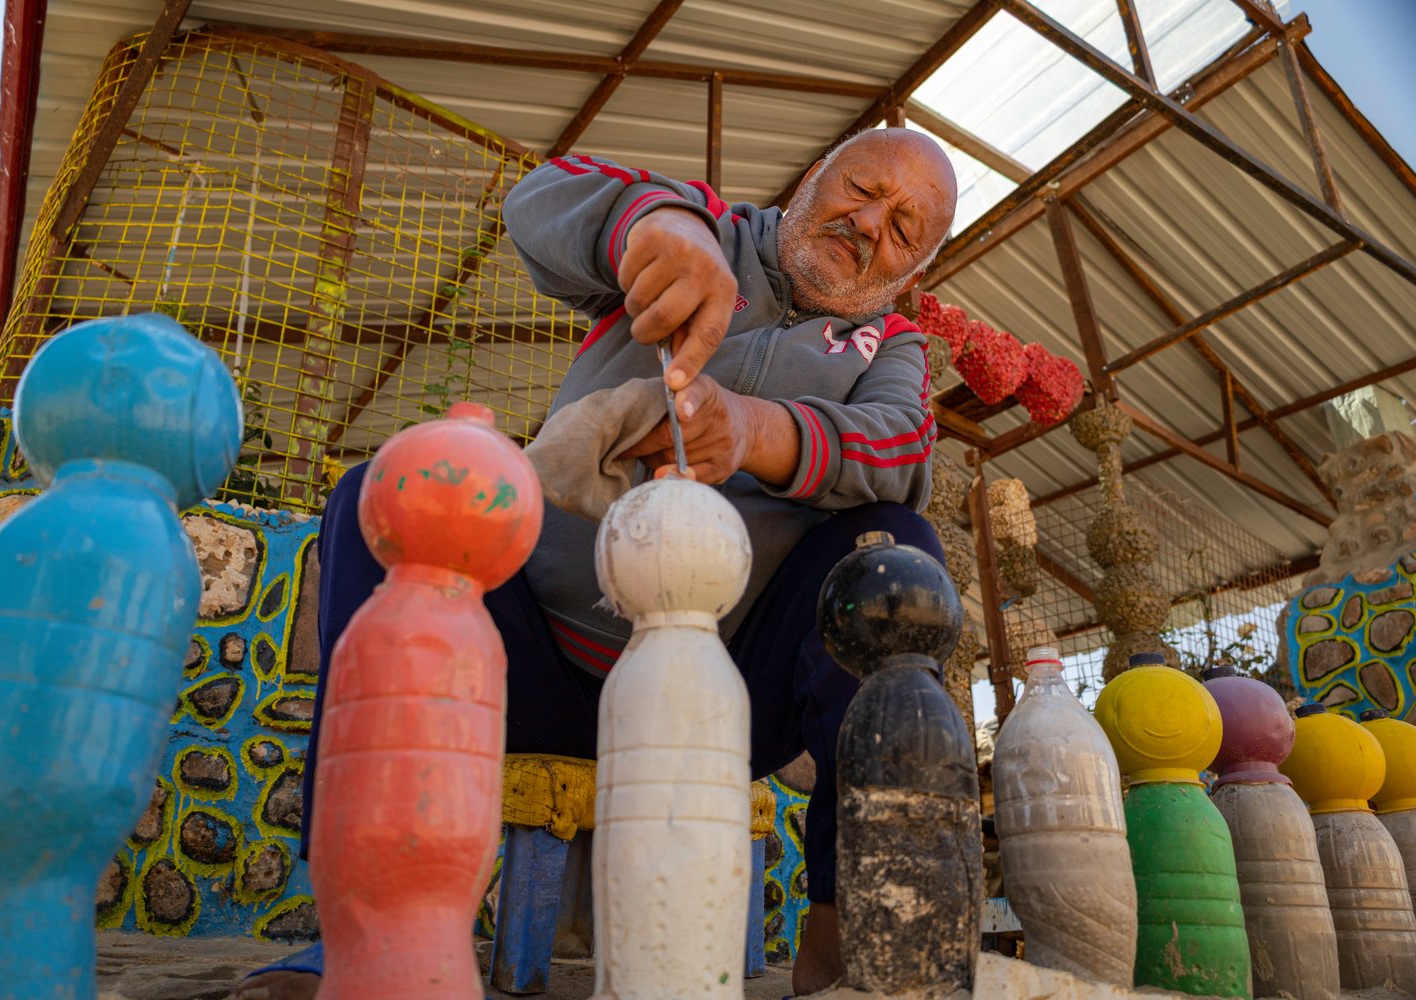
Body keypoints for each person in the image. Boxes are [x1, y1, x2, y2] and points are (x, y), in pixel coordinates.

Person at [232, 126, 958, 1000]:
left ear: (912, 273)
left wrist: (756, 430)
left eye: (906, 227)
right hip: (522, 664)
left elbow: (903, 452)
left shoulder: (896, 351)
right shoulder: (708, 232)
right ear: (810, 181)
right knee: (378, 495)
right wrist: (653, 232)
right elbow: (543, 195)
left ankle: (849, 943)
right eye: (862, 189)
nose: (872, 222)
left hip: (716, 700)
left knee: (894, 552)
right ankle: (359, 923)